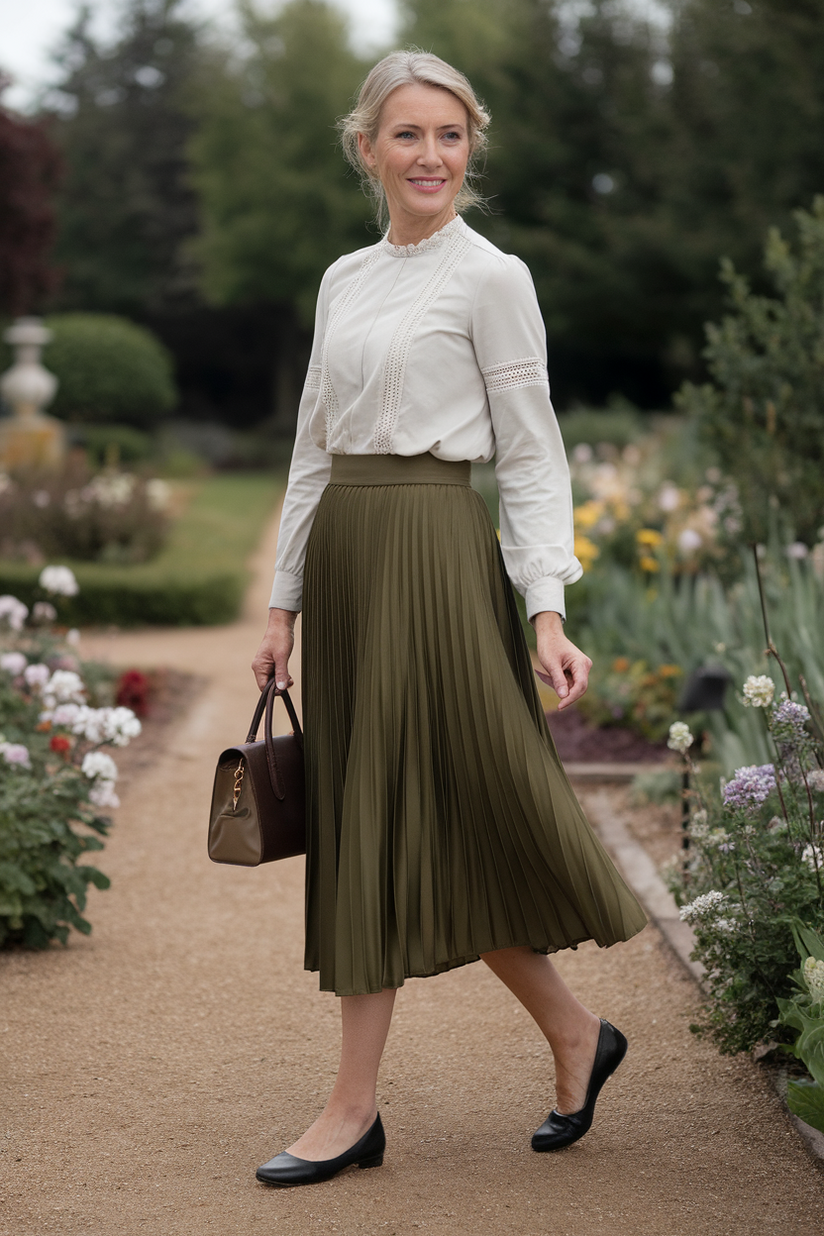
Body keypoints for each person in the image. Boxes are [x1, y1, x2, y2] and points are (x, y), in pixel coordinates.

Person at [251, 50, 647, 1188]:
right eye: (407, 135)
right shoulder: (340, 279)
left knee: (458, 810)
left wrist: (546, 609)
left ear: (470, 148)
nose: (430, 156)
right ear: (365, 146)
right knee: (383, 818)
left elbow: (531, 457)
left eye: (450, 136)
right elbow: (312, 449)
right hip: (351, 571)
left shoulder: (492, 277)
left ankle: (351, 1106)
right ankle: (563, 1038)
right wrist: (282, 601)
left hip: (435, 558)